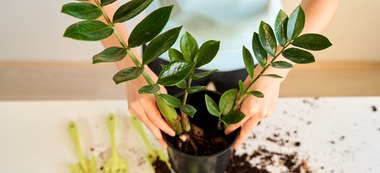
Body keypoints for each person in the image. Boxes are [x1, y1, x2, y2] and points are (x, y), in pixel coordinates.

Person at [94, 0, 339, 148]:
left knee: (231, 130)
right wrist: (131, 69)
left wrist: (274, 71)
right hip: (167, 47)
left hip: (257, 54)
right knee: (168, 129)